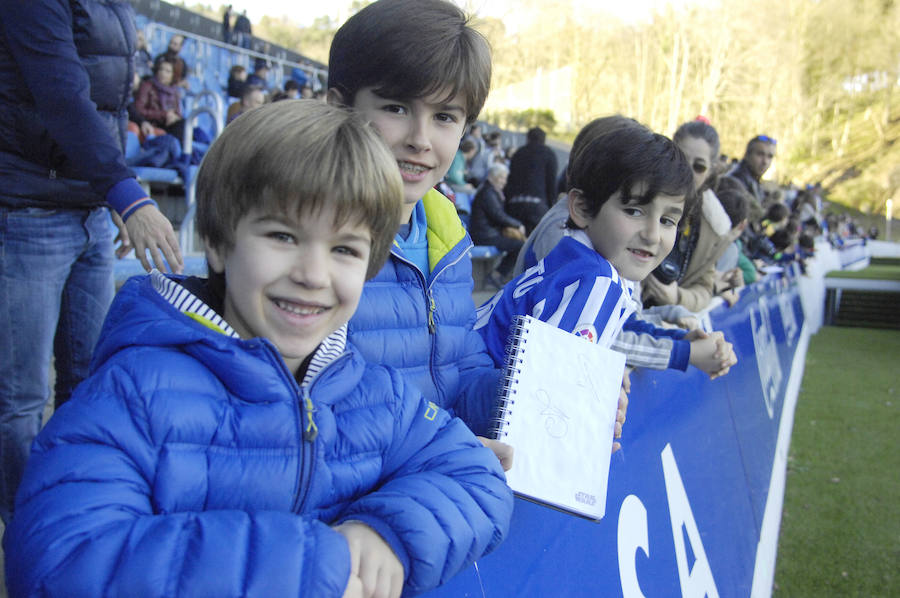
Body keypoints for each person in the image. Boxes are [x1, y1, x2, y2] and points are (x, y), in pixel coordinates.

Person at [4, 100, 513, 598]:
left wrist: (386, 532)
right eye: (283, 236)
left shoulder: (376, 396)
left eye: (344, 249)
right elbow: (59, 558)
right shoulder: (135, 393)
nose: (312, 275)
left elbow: (475, 476)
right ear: (221, 244)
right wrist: (311, 566)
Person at [0, 0, 183, 525]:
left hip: (90, 211)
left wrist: (111, 196)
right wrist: (129, 198)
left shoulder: (116, 7)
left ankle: (77, 515)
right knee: (20, 399)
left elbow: (111, 109)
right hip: (28, 211)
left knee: (88, 381)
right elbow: (62, 97)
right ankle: (27, 529)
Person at [326, 0, 511, 454]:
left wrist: (548, 397)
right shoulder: (313, 244)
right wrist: (443, 450)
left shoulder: (446, 234)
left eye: (445, 116)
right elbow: (320, 420)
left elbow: (462, 377)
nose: (421, 140)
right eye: (396, 107)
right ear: (338, 109)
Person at [475, 123, 695, 363]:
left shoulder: (578, 255)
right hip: (471, 386)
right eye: (634, 211)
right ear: (582, 208)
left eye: (667, 220)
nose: (653, 235)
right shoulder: (596, 278)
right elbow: (547, 388)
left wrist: (680, 339)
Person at [642, 119, 740, 312]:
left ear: (711, 170)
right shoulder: (638, 192)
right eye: (681, 159)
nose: (688, 170)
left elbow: (704, 289)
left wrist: (676, 297)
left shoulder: (715, 226)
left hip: (662, 322)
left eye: (699, 167)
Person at [468, 163, 525, 281]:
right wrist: (518, 225)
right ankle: (496, 275)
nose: (504, 181)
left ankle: (499, 275)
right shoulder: (488, 193)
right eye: (501, 177)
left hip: (488, 233)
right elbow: (498, 215)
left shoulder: (489, 191)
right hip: (484, 236)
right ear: (492, 177)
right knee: (519, 245)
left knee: (519, 243)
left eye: (505, 178)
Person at [504, 126, 559, 234]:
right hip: (537, 207)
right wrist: (551, 205)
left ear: (528, 138)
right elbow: (551, 182)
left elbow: (511, 180)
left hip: (515, 205)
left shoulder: (518, 153)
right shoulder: (549, 154)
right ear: (544, 140)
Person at [727, 134, 777, 221]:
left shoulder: (754, 180)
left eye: (770, 156)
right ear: (747, 155)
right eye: (760, 154)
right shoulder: (735, 181)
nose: (765, 161)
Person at [134, 59, 187, 141]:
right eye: (161, 69)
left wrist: (174, 117)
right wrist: (163, 114)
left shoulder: (175, 91)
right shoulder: (147, 86)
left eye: (167, 71)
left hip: (169, 124)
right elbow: (138, 109)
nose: (163, 73)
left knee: (186, 125)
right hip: (153, 123)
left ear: (173, 75)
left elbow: (177, 113)